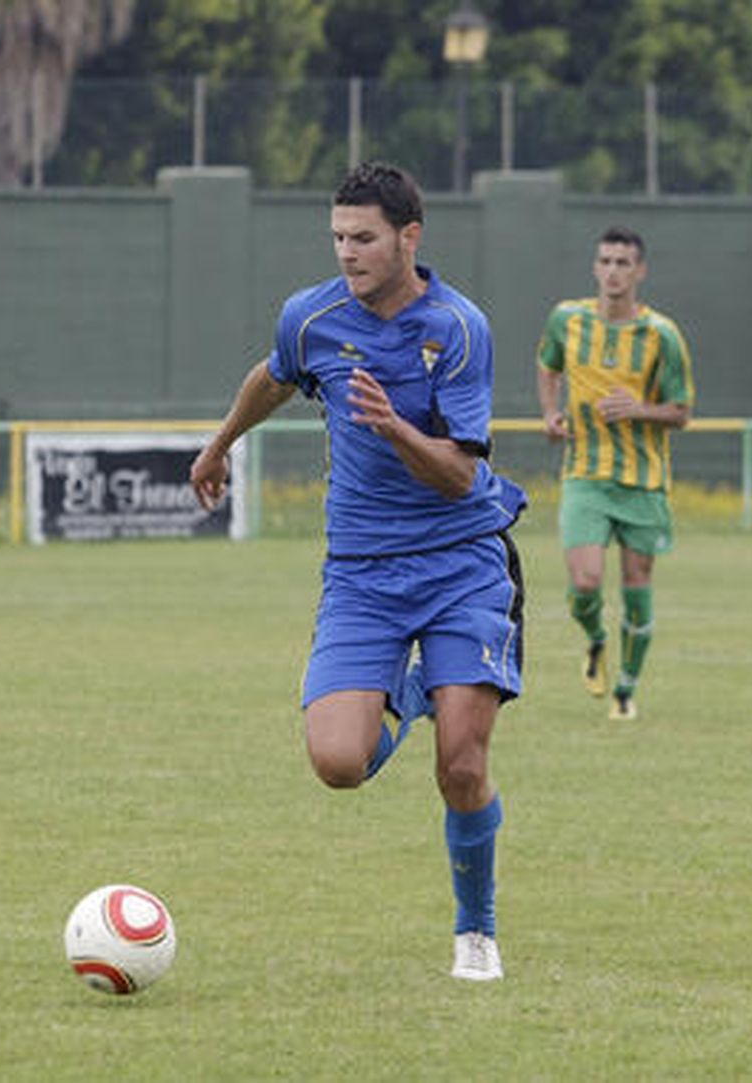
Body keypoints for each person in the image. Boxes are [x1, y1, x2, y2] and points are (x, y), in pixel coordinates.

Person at [189, 162, 526, 981]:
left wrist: (394, 427)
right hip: (362, 573)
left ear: (410, 237)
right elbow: (272, 377)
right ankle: (410, 689)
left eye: (364, 238)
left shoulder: (459, 327)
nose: (348, 252)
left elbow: (459, 474)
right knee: (338, 764)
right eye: (338, 237)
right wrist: (220, 441)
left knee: (463, 763)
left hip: (462, 562)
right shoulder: (312, 318)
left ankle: (475, 930)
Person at [535, 226, 695, 720]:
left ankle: (626, 688)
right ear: (594, 267)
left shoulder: (661, 335)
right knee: (585, 582)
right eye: (605, 261)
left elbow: (682, 411)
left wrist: (639, 409)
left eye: (624, 262)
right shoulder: (568, 319)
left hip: (643, 480)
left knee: (636, 586)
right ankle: (597, 640)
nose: (613, 271)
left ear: (640, 271)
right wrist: (550, 413)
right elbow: (547, 365)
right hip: (585, 473)